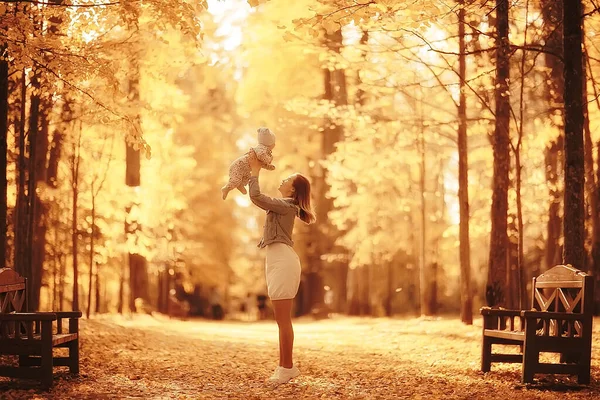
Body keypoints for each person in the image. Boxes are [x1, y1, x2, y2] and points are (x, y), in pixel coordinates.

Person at [247, 153, 316, 385]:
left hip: (283, 262)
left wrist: (255, 170)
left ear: (293, 191)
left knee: (283, 319)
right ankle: (285, 366)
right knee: (281, 319)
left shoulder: (287, 206)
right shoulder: (284, 206)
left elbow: (256, 196)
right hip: (276, 261)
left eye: (287, 179)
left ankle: (287, 367)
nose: (282, 180)